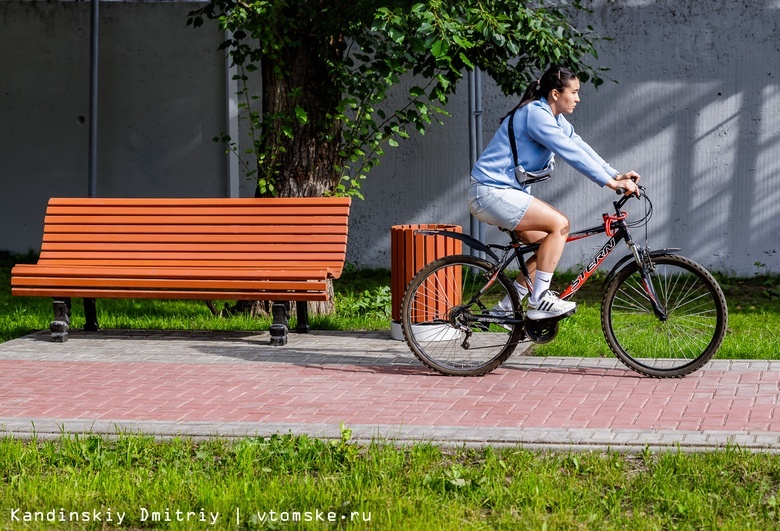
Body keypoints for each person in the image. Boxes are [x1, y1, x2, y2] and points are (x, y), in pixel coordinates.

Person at [468, 65, 641, 320]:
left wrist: (614, 174)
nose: (578, 98)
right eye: (574, 92)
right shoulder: (536, 116)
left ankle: (506, 308)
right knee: (560, 225)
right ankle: (539, 300)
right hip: (491, 192)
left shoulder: (553, 117)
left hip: (505, 194)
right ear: (555, 94)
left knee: (545, 247)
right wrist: (609, 183)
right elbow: (569, 152)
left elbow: (578, 145)